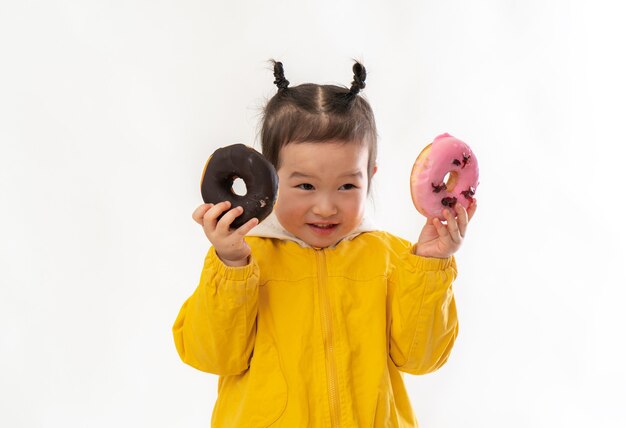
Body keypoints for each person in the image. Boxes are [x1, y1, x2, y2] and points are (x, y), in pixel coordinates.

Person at [173, 60, 477, 427]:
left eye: (347, 186)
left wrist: (431, 265)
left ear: (370, 175)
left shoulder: (397, 261)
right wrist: (231, 265)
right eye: (305, 186)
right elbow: (212, 356)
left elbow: (421, 358)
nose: (326, 206)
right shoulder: (245, 259)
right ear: (269, 178)